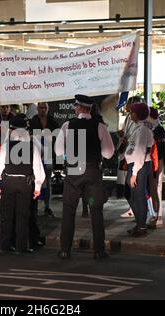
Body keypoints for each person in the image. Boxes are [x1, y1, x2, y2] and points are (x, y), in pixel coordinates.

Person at [55, 95, 115, 259]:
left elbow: (58, 152)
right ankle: (99, 250)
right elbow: (109, 153)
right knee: (96, 211)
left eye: (75, 106)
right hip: (92, 173)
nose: (74, 109)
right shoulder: (100, 126)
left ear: (81, 108)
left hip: (74, 173)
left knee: (69, 211)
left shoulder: (68, 125)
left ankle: (65, 250)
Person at [0, 116, 45, 254]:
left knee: (6, 215)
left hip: (8, 181)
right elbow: (37, 167)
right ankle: (21, 247)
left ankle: (5, 244)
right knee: (22, 216)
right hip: (24, 183)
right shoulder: (32, 145)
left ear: (12, 130)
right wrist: (38, 187)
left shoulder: (6, 145)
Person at [124, 103, 154, 237]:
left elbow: (140, 152)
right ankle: (139, 223)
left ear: (136, 114)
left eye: (132, 112)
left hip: (139, 166)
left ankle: (141, 226)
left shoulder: (142, 129)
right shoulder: (140, 128)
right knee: (132, 195)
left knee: (138, 196)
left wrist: (134, 173)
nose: (130, 115)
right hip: (136, 164)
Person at [29, 102, 59, 218]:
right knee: (35, 181)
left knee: (47, 182)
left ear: (48, 109)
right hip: (35, 155)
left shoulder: (52, 120)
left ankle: (47, 207)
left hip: (48, 154)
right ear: (37, 109)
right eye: (41, 108)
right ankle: (34, 207)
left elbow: (58, 136)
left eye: (45, 108)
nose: (43, 110)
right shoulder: (33, 120)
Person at [117, 96, 144, 218]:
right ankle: (134, 209)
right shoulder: (129, 117)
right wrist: (122, 134)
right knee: (127, 185)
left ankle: (139, 213)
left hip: (134, 156)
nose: (126, 107)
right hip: (127, 153)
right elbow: (126, 133)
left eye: (129, 104)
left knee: (132, 185)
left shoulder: (141, 122)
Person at [147, 107, 165, 229]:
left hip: (155, 160)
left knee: (156, 187)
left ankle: (158, 216)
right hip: (157, 160)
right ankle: (156, 215)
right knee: (155, 187)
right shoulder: (158, 128)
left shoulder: (154, 129)